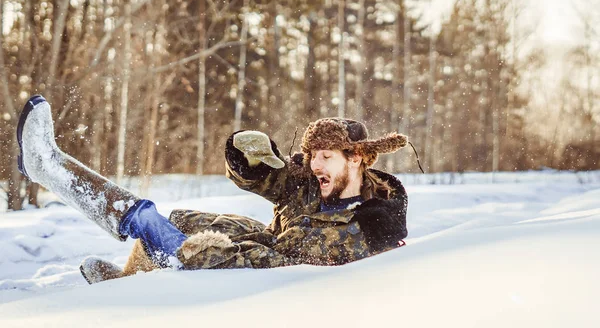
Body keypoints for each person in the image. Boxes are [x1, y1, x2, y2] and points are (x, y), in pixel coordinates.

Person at [17, 95, 409, 284]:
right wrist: (248, 161)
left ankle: (52, 169)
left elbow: (289, 266)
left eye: (326, 155)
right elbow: (270, 181)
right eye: (311, 155)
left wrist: (214, 252)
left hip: (267, 284)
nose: (315, 164)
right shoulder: (313, 184)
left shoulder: (368, 228)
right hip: (266, 247)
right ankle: (130, 280)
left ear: (356, 158)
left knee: (150, 223)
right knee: (182, 220)